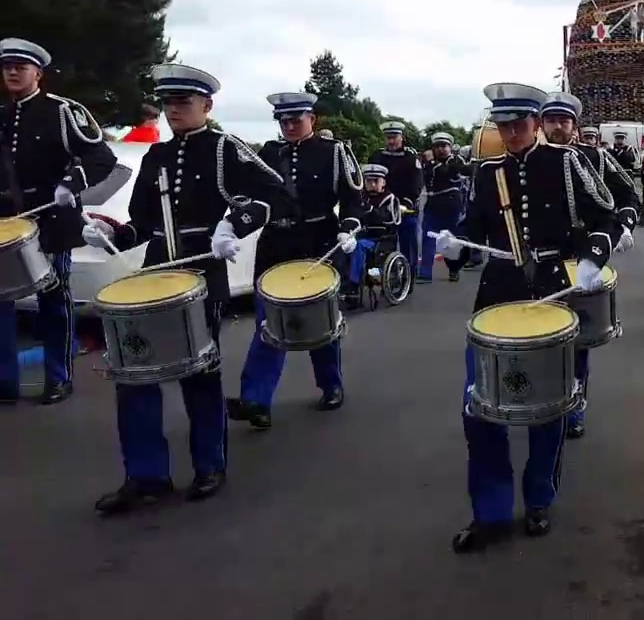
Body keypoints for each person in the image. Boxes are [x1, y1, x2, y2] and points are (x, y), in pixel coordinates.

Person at [82, 63, 292, 513]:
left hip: (202, 273)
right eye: (169, 102)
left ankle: (209, 465)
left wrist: (234, 224)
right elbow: (141, 222)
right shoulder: (156, 156)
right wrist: (113, 235)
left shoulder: (224, 149)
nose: (174, 109)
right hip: (157, 274)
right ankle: (145, 475)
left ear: (206, 106)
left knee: (200, 374)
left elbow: (276, 193)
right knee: (134, 374)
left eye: (184, 102)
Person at [431, 82, 622, 553]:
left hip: (552, 291)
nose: (512, 133)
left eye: (519, 124)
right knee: (480, 408)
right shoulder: (486, 172)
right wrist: (453, 246)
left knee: (547, 408)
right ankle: (491, 512)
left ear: (536, 123)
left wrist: (595, 255)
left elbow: (608, 215)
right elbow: (473, 227)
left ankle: (539, 499)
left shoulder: (566, 161)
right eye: (504, 126)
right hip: (498, 294)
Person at [226, 92, 363, 430]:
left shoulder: (333, 153)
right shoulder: (268, 155)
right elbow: (251, 197)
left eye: (295, 120)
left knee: (321, 323)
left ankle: (331, 385)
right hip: (275, 244)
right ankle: (256, 399)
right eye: (283, 121)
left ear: (312, 119)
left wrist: (348, 228)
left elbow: (351, 198)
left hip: (318, 243)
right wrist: (231, 225)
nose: (289, 126)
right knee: (267, 325)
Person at [0, 37, 117, 406]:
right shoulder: (1, 115)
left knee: (53, 299)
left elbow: (102, 156)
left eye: (21, 66)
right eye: (7, 67)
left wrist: (72, 183)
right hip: (6, 222)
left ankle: (59, 376)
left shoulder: (63, 112)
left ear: (38, 72)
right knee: (1, 302)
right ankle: (5, 382)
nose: (13, 72)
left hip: (51, 219)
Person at [538, 93, 638, 439]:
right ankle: (538, 401)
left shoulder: (593, 156)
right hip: (539, 264)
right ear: (542, 124)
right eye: (551, 120)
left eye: (563, 121)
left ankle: (575, 403)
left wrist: (621, 225)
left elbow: (626, 192)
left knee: (576, 339)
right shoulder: (529, 161)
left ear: (574, 126)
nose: (557, 126)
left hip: (580, 256)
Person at [369, 121, 423, 288]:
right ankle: (388, 276)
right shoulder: (377, 156)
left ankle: (410, 276)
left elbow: (417, 183)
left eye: (394, 137)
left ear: (402, 137)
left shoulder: (410, 157)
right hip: (384, 207)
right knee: (384, 244)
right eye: (388, 137)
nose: (391, 141)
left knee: (408, 245)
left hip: (405, 208)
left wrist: (407, 202)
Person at [344, 163, 403, 295]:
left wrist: (370, 210)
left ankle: (353, 284)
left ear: (383, 182)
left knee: (359, 246)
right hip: (362, 235)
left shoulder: (390, 199)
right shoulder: (361, 198)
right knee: (344, 246)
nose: (372, 184)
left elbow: (389, 220)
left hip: (381, 239)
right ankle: (344, 280)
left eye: (375, 181)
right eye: (368, 181)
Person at [420, 132, 469, 282]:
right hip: (433, 204)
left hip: (451, 205)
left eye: (444, 146)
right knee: (428, 237)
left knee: (451, 241)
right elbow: (424, 178)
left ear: (450, 147)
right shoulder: (429, 163)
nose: (441, 149)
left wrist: (432, 163)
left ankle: (454, 269)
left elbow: (446, 172)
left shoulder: (456, 160)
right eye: (437, 146)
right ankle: (425, 272)